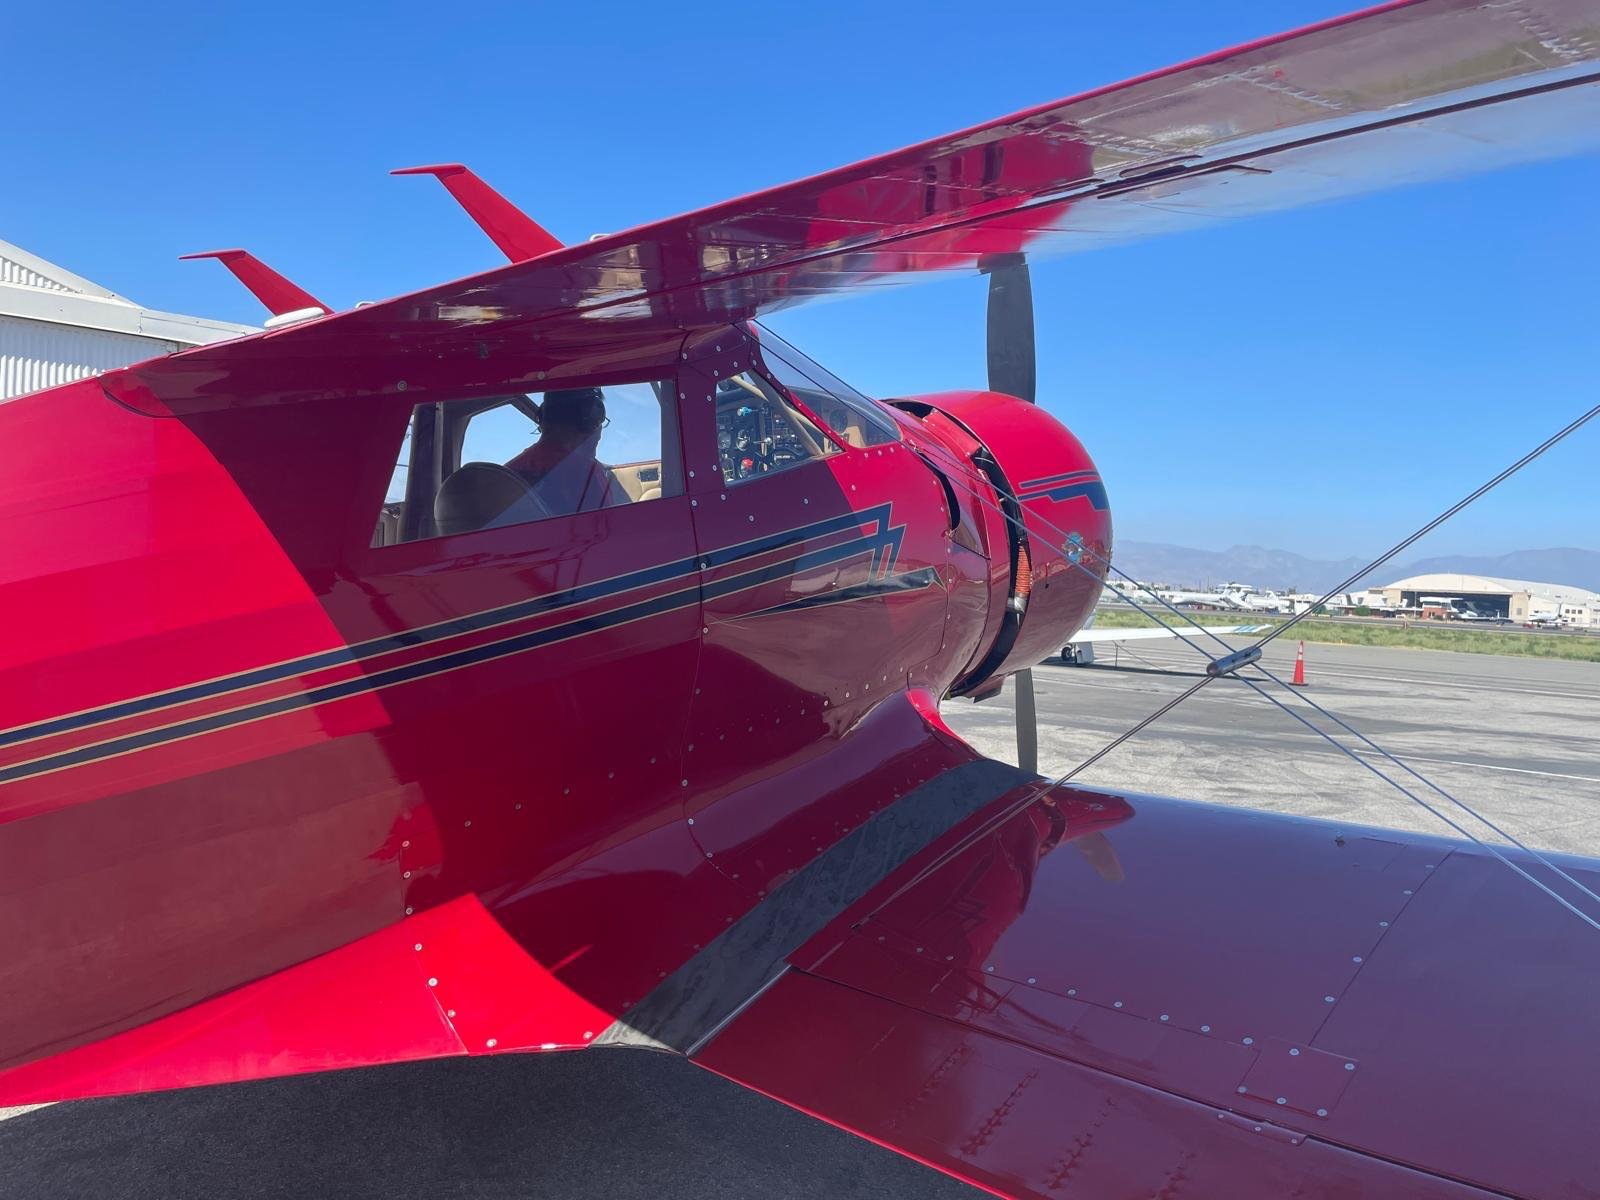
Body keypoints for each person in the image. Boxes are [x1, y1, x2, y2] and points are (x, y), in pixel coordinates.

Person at [504, 387, 624, 515]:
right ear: (591, 419)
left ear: (543, 418)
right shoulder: (586, 474)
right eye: (600, 421)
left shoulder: (506, 473)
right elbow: (607, 529)